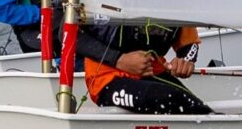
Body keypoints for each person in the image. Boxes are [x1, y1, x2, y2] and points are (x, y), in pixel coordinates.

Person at [81, 20, 212, 115]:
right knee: (169, 99)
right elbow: (67, 33)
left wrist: (185, 61)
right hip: (106, 78)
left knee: (200, 111)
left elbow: (189, 44)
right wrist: (119, 59)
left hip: (154, 74)